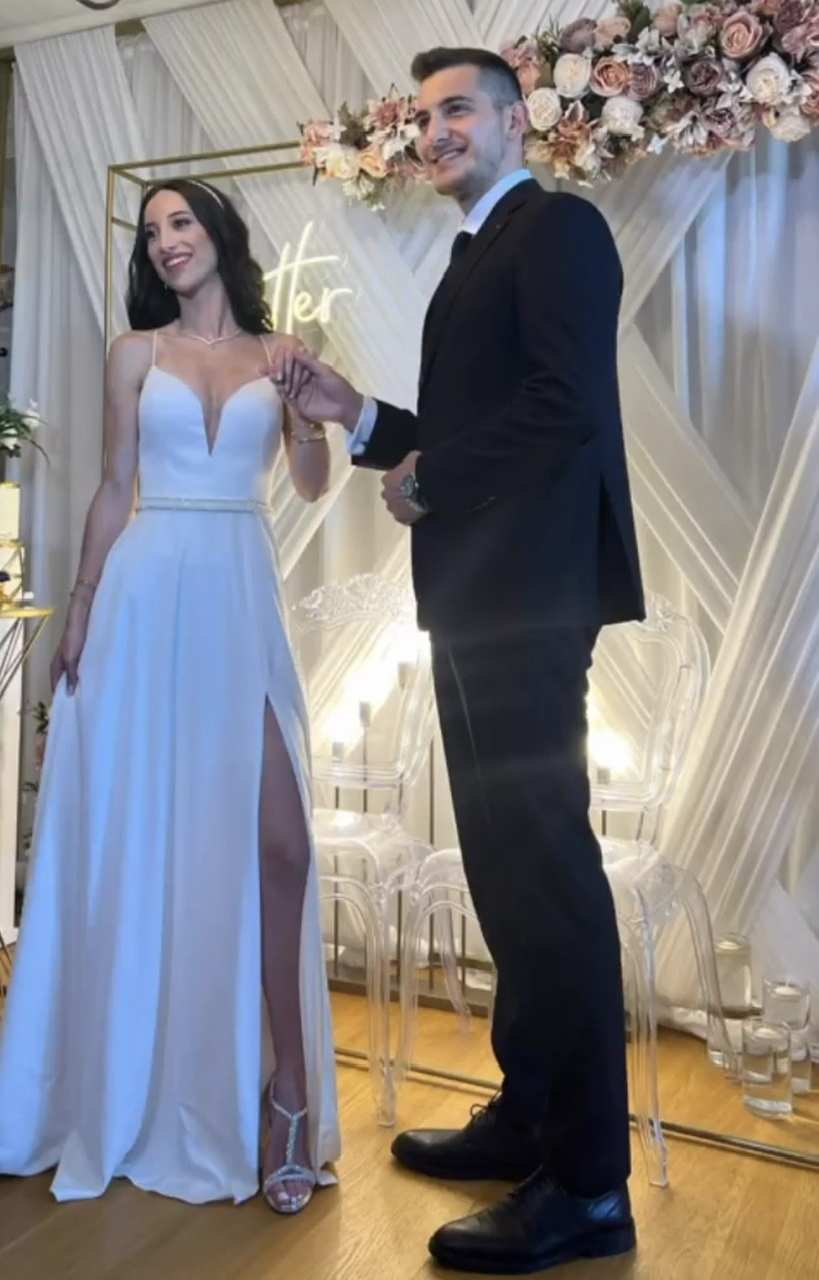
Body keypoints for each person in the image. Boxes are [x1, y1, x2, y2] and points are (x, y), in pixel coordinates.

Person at [269, 45, 644, 1275]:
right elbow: (469, 432)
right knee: (502, 869)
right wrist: (357, 416)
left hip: (531, 599)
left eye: (458, 110)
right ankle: (528, 1116)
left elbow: (562, 407)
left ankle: (586, 1184)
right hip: (480, 601)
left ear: (513, 121)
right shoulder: (474, 255)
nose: (434, 131)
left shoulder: (558, 229)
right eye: (423, 115)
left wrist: (430, 479)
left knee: (547, 876)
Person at [0, 178, 340, 1213]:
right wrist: (79, 606)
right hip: (142, 593)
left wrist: (305, 417)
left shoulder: (279, 353)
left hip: (238, 597)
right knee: (145, 839)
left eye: (183, 223)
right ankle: (143, 1081)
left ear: (219, 235)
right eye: (153, 230)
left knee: (282, 843)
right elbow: (114, 484)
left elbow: (309, 483)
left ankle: (288, 1092)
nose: (167, 241)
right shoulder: (133, 352)